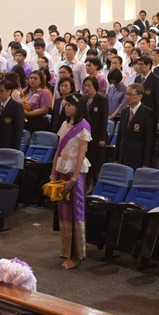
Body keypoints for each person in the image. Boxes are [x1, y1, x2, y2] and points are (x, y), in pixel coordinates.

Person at [52, 94, 91, 270]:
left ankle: (76, 255)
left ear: (78, 107)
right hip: (62, 170)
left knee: (76, 212)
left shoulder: (84, 127)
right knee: (64, 212)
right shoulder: (65, 124)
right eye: (65, 105)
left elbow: (81, 156)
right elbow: (58, 150)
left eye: (70, 105)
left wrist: (74, 180)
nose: (66, 108)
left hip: (75, 173)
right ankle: (66, 251)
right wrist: (53, 172)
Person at [116, 83, 156, 170]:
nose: (127, 97)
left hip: (138, 158)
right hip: (123, 156)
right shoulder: (124, 112)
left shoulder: (147, 113)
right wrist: (116, 158)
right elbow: (120, 136)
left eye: (130, 95)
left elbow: (149, 140)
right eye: (126, 94)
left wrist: (146, 162)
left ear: (140, 96)